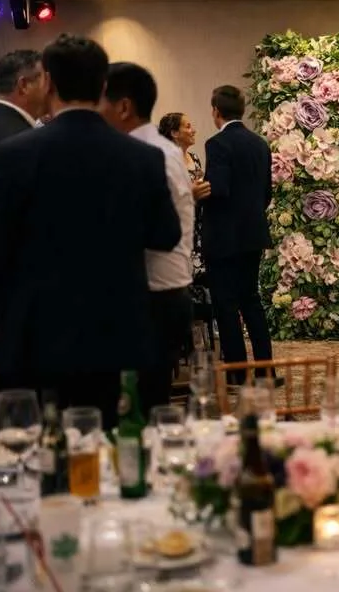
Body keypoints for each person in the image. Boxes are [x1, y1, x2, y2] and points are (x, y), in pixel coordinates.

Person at [0, 34, 181, 429]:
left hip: (34, 335)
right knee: (116, 451)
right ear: (103, 86)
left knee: (35, 460)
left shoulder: (13, 155)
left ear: (50, 84)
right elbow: (165, 235)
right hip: (119, 331)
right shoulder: (143, 157)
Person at [100, 63, 195, 415]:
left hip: (155, 295)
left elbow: (155, 230)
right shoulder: (155, 151)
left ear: (123, 107)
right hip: (157, 292)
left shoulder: (149, 156)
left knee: (142, 406)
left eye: (99, 101)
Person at [0, 49, 48, 438]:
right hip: (18, 299)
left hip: (4, 296)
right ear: (24, 85)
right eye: (44, 78)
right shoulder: (19, 143)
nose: (50, 86)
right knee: (23, 410)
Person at [202, 85, 273, 379]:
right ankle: (264, 368)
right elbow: (266, 193)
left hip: (224, 236)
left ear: (215, 111)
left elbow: (218, 189)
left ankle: (237, 371)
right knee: (251, 300)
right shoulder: (260, 144)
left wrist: (195, 193)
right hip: (253, 232)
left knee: (226, 304)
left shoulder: (217, 144)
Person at [159, 112, 213, 349]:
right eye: (187, 126)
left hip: (198, 226)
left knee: (200, 283)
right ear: (174, 133)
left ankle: (199, 337)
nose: (193, 130)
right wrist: (188, 195)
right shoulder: (164, 161)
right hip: (176, 228)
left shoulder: (194, 158)